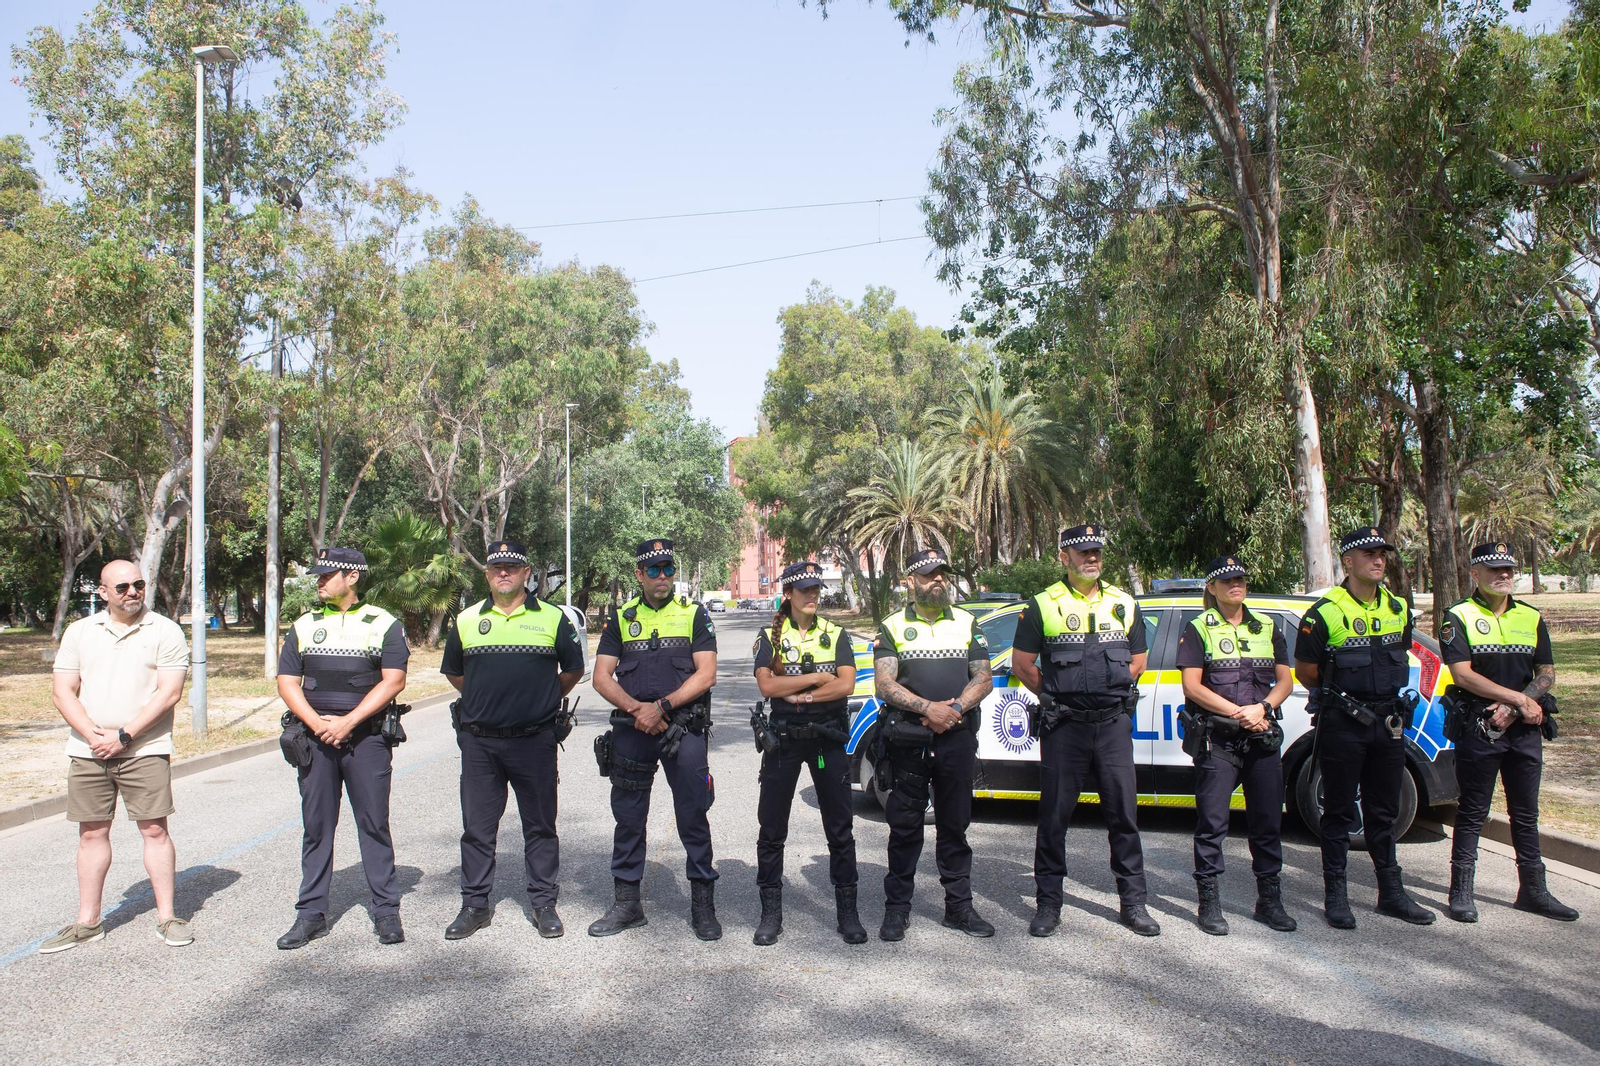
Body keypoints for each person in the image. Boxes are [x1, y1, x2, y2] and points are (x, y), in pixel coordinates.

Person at [1012, 524, 1159, 938]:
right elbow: (1024, 666)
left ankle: (1133, 904)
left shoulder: (1124, 603)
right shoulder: (1043, 604)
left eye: (1096, 551)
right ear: (1064, 557)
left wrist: (1106, 693)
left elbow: (1138, 661)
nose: (1091, 558)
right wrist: (1060, 695)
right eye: (1082, 552)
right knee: (1054, 819)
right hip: (1066, 728)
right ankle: (1048, 905)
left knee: (1124, 819)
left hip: (1112, 726)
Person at [41, 560, 191, 954]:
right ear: (103, 592)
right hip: (89, 749)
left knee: (154, 830)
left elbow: (169, 692)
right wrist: (95, 735)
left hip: (144, 748)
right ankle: (87, 922)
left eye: (138, 584)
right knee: (91, 832)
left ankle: (167, 917)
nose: (132, 592)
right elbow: (62, 692)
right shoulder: (80, 631)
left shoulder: (165, 630)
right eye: (122, 586)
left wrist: (124, 736)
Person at [440, 540, 584, 941]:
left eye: (512, 567)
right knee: (477, 829)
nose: (503, 572)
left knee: (540, 826)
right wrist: (486, 698)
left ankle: (543, 904)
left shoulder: (553, 618)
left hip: (534, 740)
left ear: (527, 573)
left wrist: (539, 698)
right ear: (487, 575)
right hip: (480, 743)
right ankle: (475, 905)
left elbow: (573, 669)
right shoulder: (467, 620)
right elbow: (454, 673)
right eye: (496, 567)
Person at [1295, 527, 1434, 929]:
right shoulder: (1325, 612)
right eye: (1369, 554)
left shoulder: (1398, 607)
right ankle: (1336, 895)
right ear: (1348, 562)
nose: (1378, 560)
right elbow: (1307, 671)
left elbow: (1401, 655)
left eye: (1382, 554)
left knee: (1384, 811)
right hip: (1343, 724)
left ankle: (1391, 893)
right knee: (1338, 811)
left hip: (1388, 725)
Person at [275, 546, 409, 949]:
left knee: (373, 825)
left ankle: (386, 913)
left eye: (327, 575)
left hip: (366, 740)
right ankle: (311, 915)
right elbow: (286, 682)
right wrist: (318, 724)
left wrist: (348, 722)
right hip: (315, 741)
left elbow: (393, 680)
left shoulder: (383, 623)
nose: (319, 581)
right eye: (318, 575)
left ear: (352, 577)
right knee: (316, 828)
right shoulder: (303, 625)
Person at [588, 539, 721, 940]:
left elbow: (706, 674)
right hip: (633, 731)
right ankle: (627, 905)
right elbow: (600, 677)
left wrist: (660, 707)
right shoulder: (622, 617)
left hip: (683, 729)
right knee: (628, 819)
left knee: (693, 816)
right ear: (639, 574)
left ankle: (703, 907)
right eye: (653, 569)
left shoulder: (694, 614)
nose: (662, 576)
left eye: (667, 568)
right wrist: (637, 710)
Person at [1440, 542, 1579, 923]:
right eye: (1494, 569)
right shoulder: (1457, 616)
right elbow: (1463, 674)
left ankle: (1533, 891)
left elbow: (1546, 672)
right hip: (1479, 728)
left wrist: (1519, 705)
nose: (1503, 575)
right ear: (1475, 573)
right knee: (1472, 811)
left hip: (1524, 730)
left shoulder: (1531, 617)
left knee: (1525, 813)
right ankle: (1461, 892)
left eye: (1509, 570)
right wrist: (1516, 699)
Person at [872, 546, 995, 942]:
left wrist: (953, 709)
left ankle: (958, 907)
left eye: (942, 572)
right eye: (928, 574)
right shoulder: (891, 626)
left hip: (956, 737)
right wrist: (928, 708)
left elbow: (983, 677)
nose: (938, 579)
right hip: (909, 740)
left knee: (955, 825)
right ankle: (897, 910)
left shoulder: (967, 622)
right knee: (904, 828)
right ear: (911, 582)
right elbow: (885, 684)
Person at [1176, 555, 1297, 935]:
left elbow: (1285, 682)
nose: (1236, 584)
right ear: (1211, 588)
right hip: (1219, 739)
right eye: (1226, 580)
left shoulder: (1268, 627)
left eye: (1241, 578)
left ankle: (1269, 902)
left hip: (1261, 737)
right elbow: (1192, 686)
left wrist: (1262, 708)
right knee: (1212, 824)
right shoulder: (1198, 628)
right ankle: (1209, 903)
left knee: (1267, 823)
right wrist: (1238, 712)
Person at [750, 560, 864, 945]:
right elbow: (767, 686)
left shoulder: (836, 633)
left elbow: (846, 684)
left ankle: (848, 914)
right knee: (771, 829)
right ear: (789, 596)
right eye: (805, 591)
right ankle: (770, 914)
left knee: (840, 828)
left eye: (816, 589)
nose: (813, 595)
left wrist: (803, 693)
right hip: (784, 742)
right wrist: (817, 677)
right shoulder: (769, 635)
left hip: (825, 742)